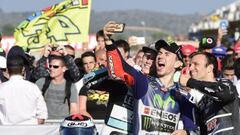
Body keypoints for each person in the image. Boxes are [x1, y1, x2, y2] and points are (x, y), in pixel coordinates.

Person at [103, 21, 198, 135]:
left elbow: (195, 129)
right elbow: (120, 69)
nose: (160, 57)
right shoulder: (143, 82)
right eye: (160, 53)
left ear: (177, 64)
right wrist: (108, 41)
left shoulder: (182, 95)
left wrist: (186, 132)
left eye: (167, 54)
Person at [180, 52, 240, 135]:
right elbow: (203, 131)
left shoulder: (225, 84)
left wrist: (189, 82)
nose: (190, 68)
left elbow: (224, 95)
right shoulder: (202, 102)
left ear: (210, 68)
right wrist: (187, 133)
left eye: (196, 64)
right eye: (190, 65)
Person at [0, 56, 47, 125]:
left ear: (7, 70)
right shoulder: (33, 88)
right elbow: (42, 115)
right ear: (23, 69)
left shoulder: (1, 88)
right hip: (30, 131)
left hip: (7, 131)